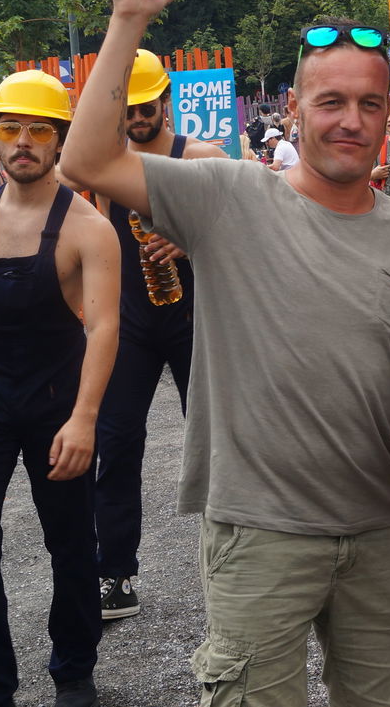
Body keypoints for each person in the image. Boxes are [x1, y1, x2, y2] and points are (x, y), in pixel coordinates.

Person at [60, 0, 390, 707]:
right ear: (294, 109)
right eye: (330, 101)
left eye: (369, 103)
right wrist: (127, 20)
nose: (351, 119)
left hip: (378, 528)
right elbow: (88, 161)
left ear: (389, 117)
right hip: (258, 531)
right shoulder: (231, 194)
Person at [0, 71, 120, 707]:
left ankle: (73, 669)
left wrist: (85, 418)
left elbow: (103, 328)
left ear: (59, 140)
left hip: (55, 406)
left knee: (70, 541)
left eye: (39, 130)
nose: (23, 142)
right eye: (11, 129)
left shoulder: (88, 229)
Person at [91, 49, 226, 621]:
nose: (138, 116)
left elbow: (240, 238)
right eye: (129, 107)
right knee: (117, 442)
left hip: (194, 317)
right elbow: (98, 239)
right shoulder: (106, 165)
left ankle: (236, 558)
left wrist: (191, 241)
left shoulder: (200, 158)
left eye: (147, 105)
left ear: (165, 101)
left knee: (221, 440)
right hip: (130, 324)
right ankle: (115, 573)